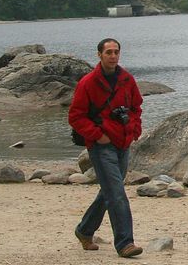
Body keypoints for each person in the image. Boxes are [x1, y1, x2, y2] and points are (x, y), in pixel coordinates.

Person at [68, 38, 145, 258]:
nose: (113, 56)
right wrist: (97, 135)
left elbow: (136, 107)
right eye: (108, 52)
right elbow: (75, 116)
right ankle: (125, 243)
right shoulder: (88, 83)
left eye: (116, 52)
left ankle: (84, 231)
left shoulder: (127, 79)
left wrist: (134, 129)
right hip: (101, 146)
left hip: (123, 142)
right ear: (99, 55)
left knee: (110, 191)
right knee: (117, 193)